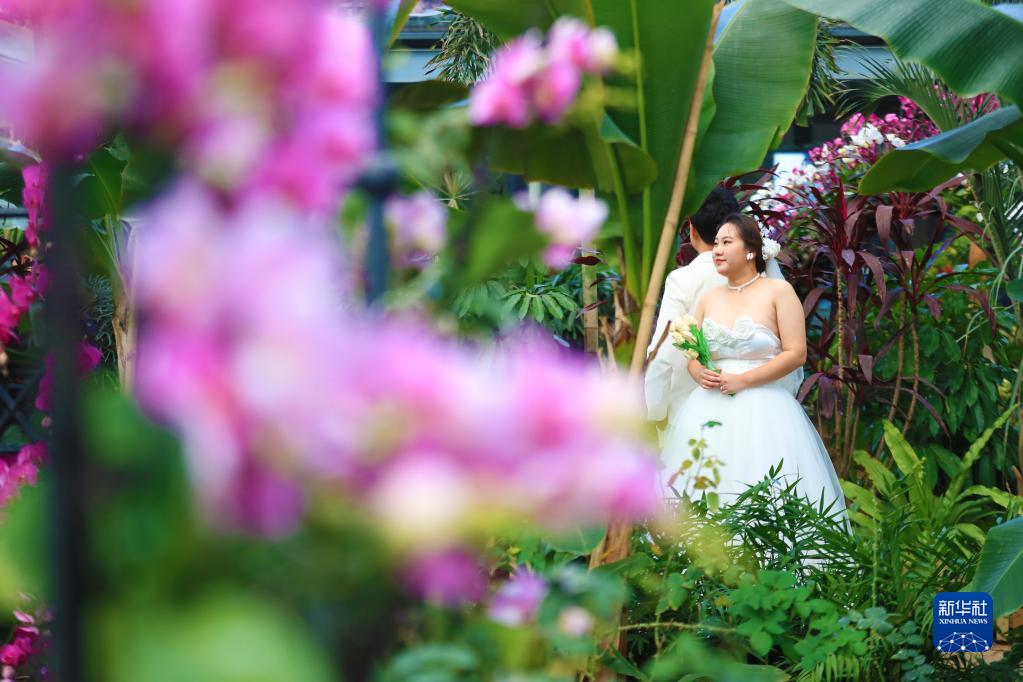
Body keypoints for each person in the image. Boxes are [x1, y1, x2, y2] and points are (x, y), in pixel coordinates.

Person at [660, 213, 847, 519]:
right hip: (707, 406)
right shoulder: (708, 298)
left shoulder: (779, 292)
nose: (717, 250)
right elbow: (692, 351)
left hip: (765, 407)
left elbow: (796, 353)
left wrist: (744, 380)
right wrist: (698, 371)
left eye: (726, 242)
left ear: (750, 251)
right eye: (716, 243)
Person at [644, 188, 738, 440]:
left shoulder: (683, 279)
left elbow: (663, 350)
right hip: (750, 406)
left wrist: (655, 411)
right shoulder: (759, 275)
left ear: (692, 229)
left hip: (687, 410)